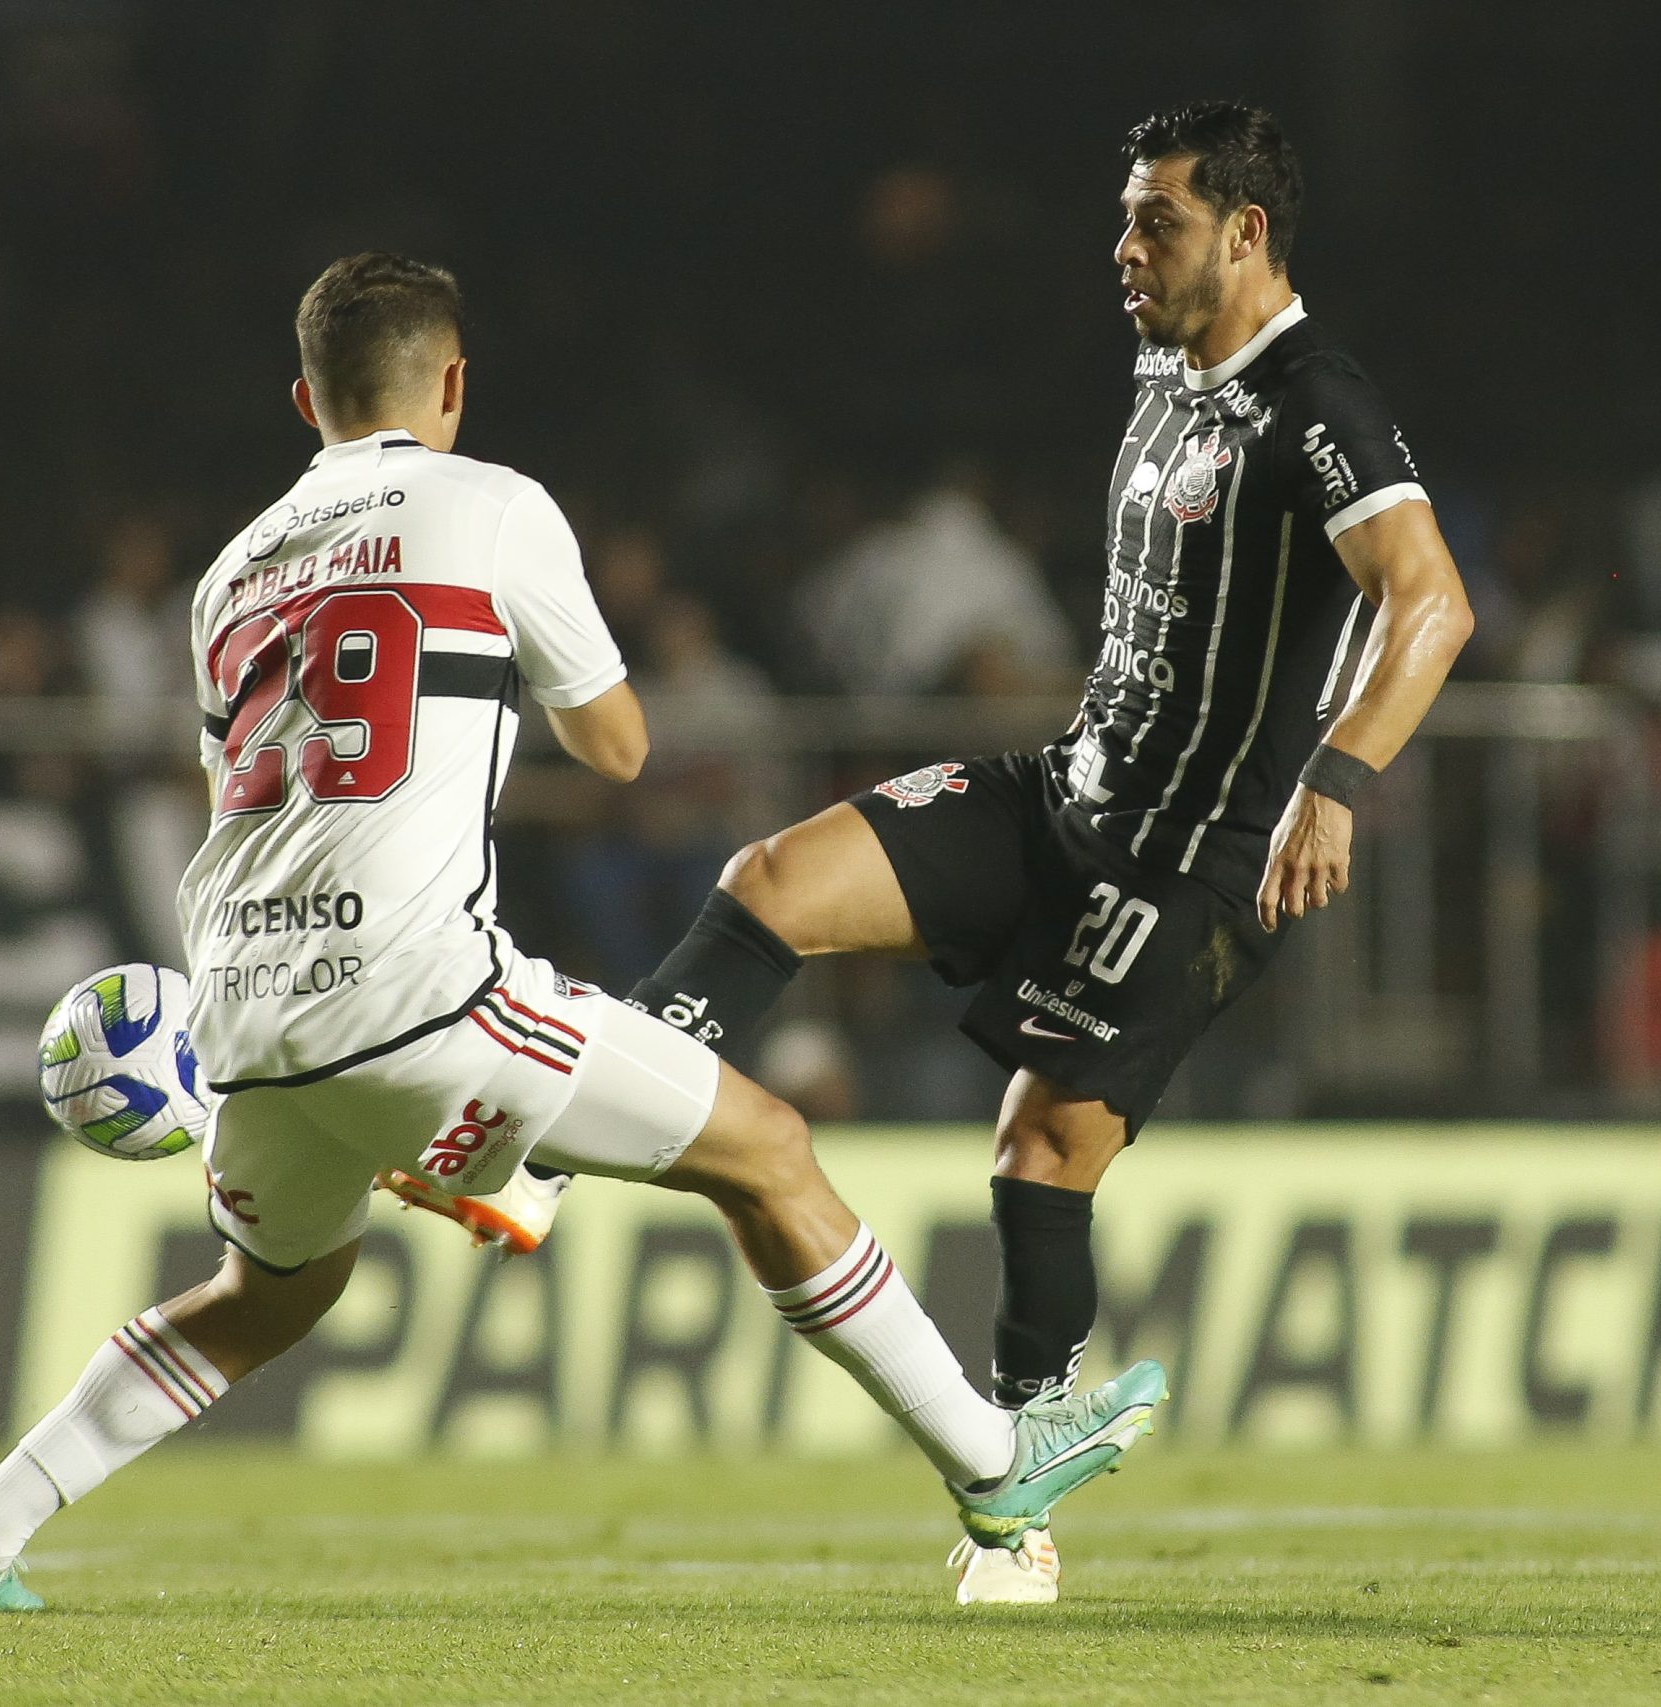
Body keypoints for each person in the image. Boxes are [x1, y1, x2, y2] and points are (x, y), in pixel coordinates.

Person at [0, 252, 1167, 1612]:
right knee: (773, 1154)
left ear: (302, 400)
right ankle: (988, 1459)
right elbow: (616, 747)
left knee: (262, 1301)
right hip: (427, 988)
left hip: (243, 1013)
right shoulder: (492, 505)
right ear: (452, 382)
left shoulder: (230, 574)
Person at [410, 102, 1476, 1605]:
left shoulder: (1321, 400)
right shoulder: (1170, 371)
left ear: (1245, 234)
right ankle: (547, 1159)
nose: (1124, 248)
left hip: (1185, 868)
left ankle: (1017, 1515)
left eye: (1155, 222)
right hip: (1062, 797)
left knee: (1040, 1156)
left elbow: (1428, 599)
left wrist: (1344, 781)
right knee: (767, 882)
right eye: (1124, 218)